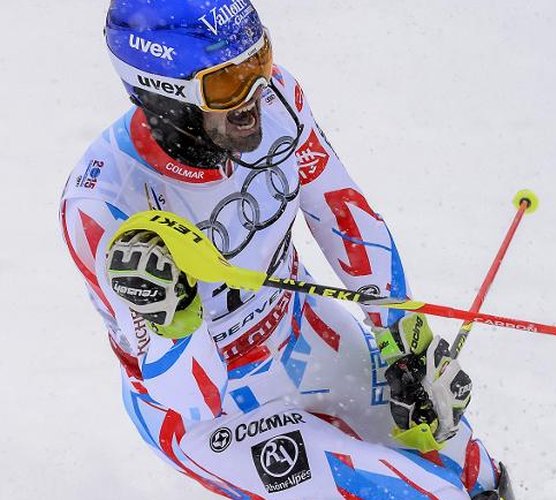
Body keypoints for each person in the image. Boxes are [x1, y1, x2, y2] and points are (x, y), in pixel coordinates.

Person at [59, 1, 513, 498]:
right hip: (219, 413)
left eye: (260, 60)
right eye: (229, 82)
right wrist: (173, 321)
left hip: (303, 334)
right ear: (165, 92)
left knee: (476, 477)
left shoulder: (280, 102)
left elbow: (345, 215)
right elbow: (192, 401)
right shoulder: (103, 205)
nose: (256, 94)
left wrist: (405, 340)